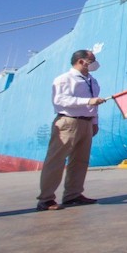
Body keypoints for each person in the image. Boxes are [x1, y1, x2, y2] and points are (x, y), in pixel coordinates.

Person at [36, 50, 106, 211]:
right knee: (56, 160)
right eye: (92, 60)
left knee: (80, 160)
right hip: (68, 122)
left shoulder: (92, 81)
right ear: (81, 61)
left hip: (86, 122)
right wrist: (88, 101)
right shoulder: (64, 79)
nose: (95, 62)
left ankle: (73, 195)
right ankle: (45, 199)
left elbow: (94, 105)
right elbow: (60, 99)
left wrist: (94, 122)